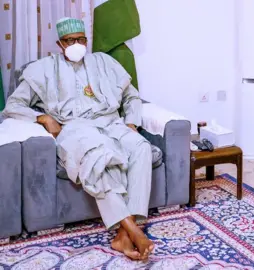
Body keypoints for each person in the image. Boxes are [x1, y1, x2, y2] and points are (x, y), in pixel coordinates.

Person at [3, 18, 154, 260]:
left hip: (111, 121)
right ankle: (134, 230)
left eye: (81, 39)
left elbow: (132, 97)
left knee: (141, 147)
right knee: (97, 156)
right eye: (70, 40)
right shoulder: (43, 69)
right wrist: (43, 118)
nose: (77, 45)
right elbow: (13, 105)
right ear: (59, 44)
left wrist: (131, 123)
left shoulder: (104, 62)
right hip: (74, 128)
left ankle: (124, 235)